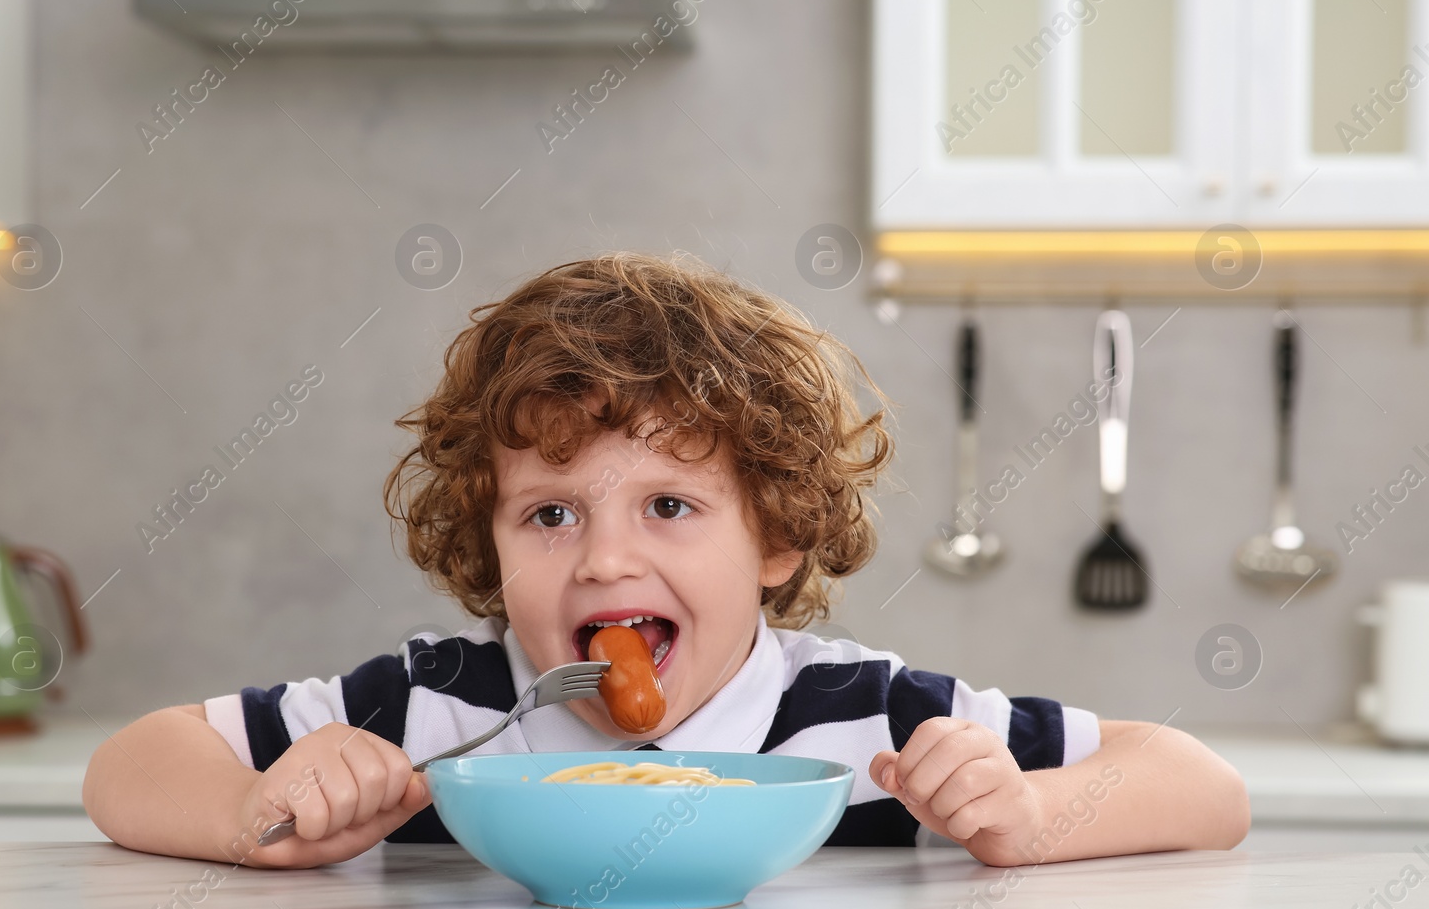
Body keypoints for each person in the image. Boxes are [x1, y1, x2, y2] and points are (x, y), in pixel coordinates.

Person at [83, 252, 1249, 870]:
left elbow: (1202, 784)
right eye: (547, 515)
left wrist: (1026, 813)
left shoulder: (866, 722)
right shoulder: (438, 713)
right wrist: (253, 809)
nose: (603, 560)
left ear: (778, 537)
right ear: (488, 542)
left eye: (672, 504)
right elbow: (127, 766)